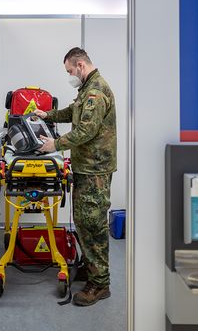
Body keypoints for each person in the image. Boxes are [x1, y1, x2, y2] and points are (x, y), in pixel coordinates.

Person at [34, 47, 117, 306]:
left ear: (80, 65)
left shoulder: (95, 91)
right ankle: (90, 268)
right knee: (83, 222)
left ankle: (100, 284)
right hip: (87, 167)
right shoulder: (87, 89)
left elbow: (85, 131)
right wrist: (47, 115)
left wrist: (54, 145)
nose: (70, 75)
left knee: (93, 225)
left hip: (95, 170)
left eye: (70, 71)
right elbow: (73, 112)